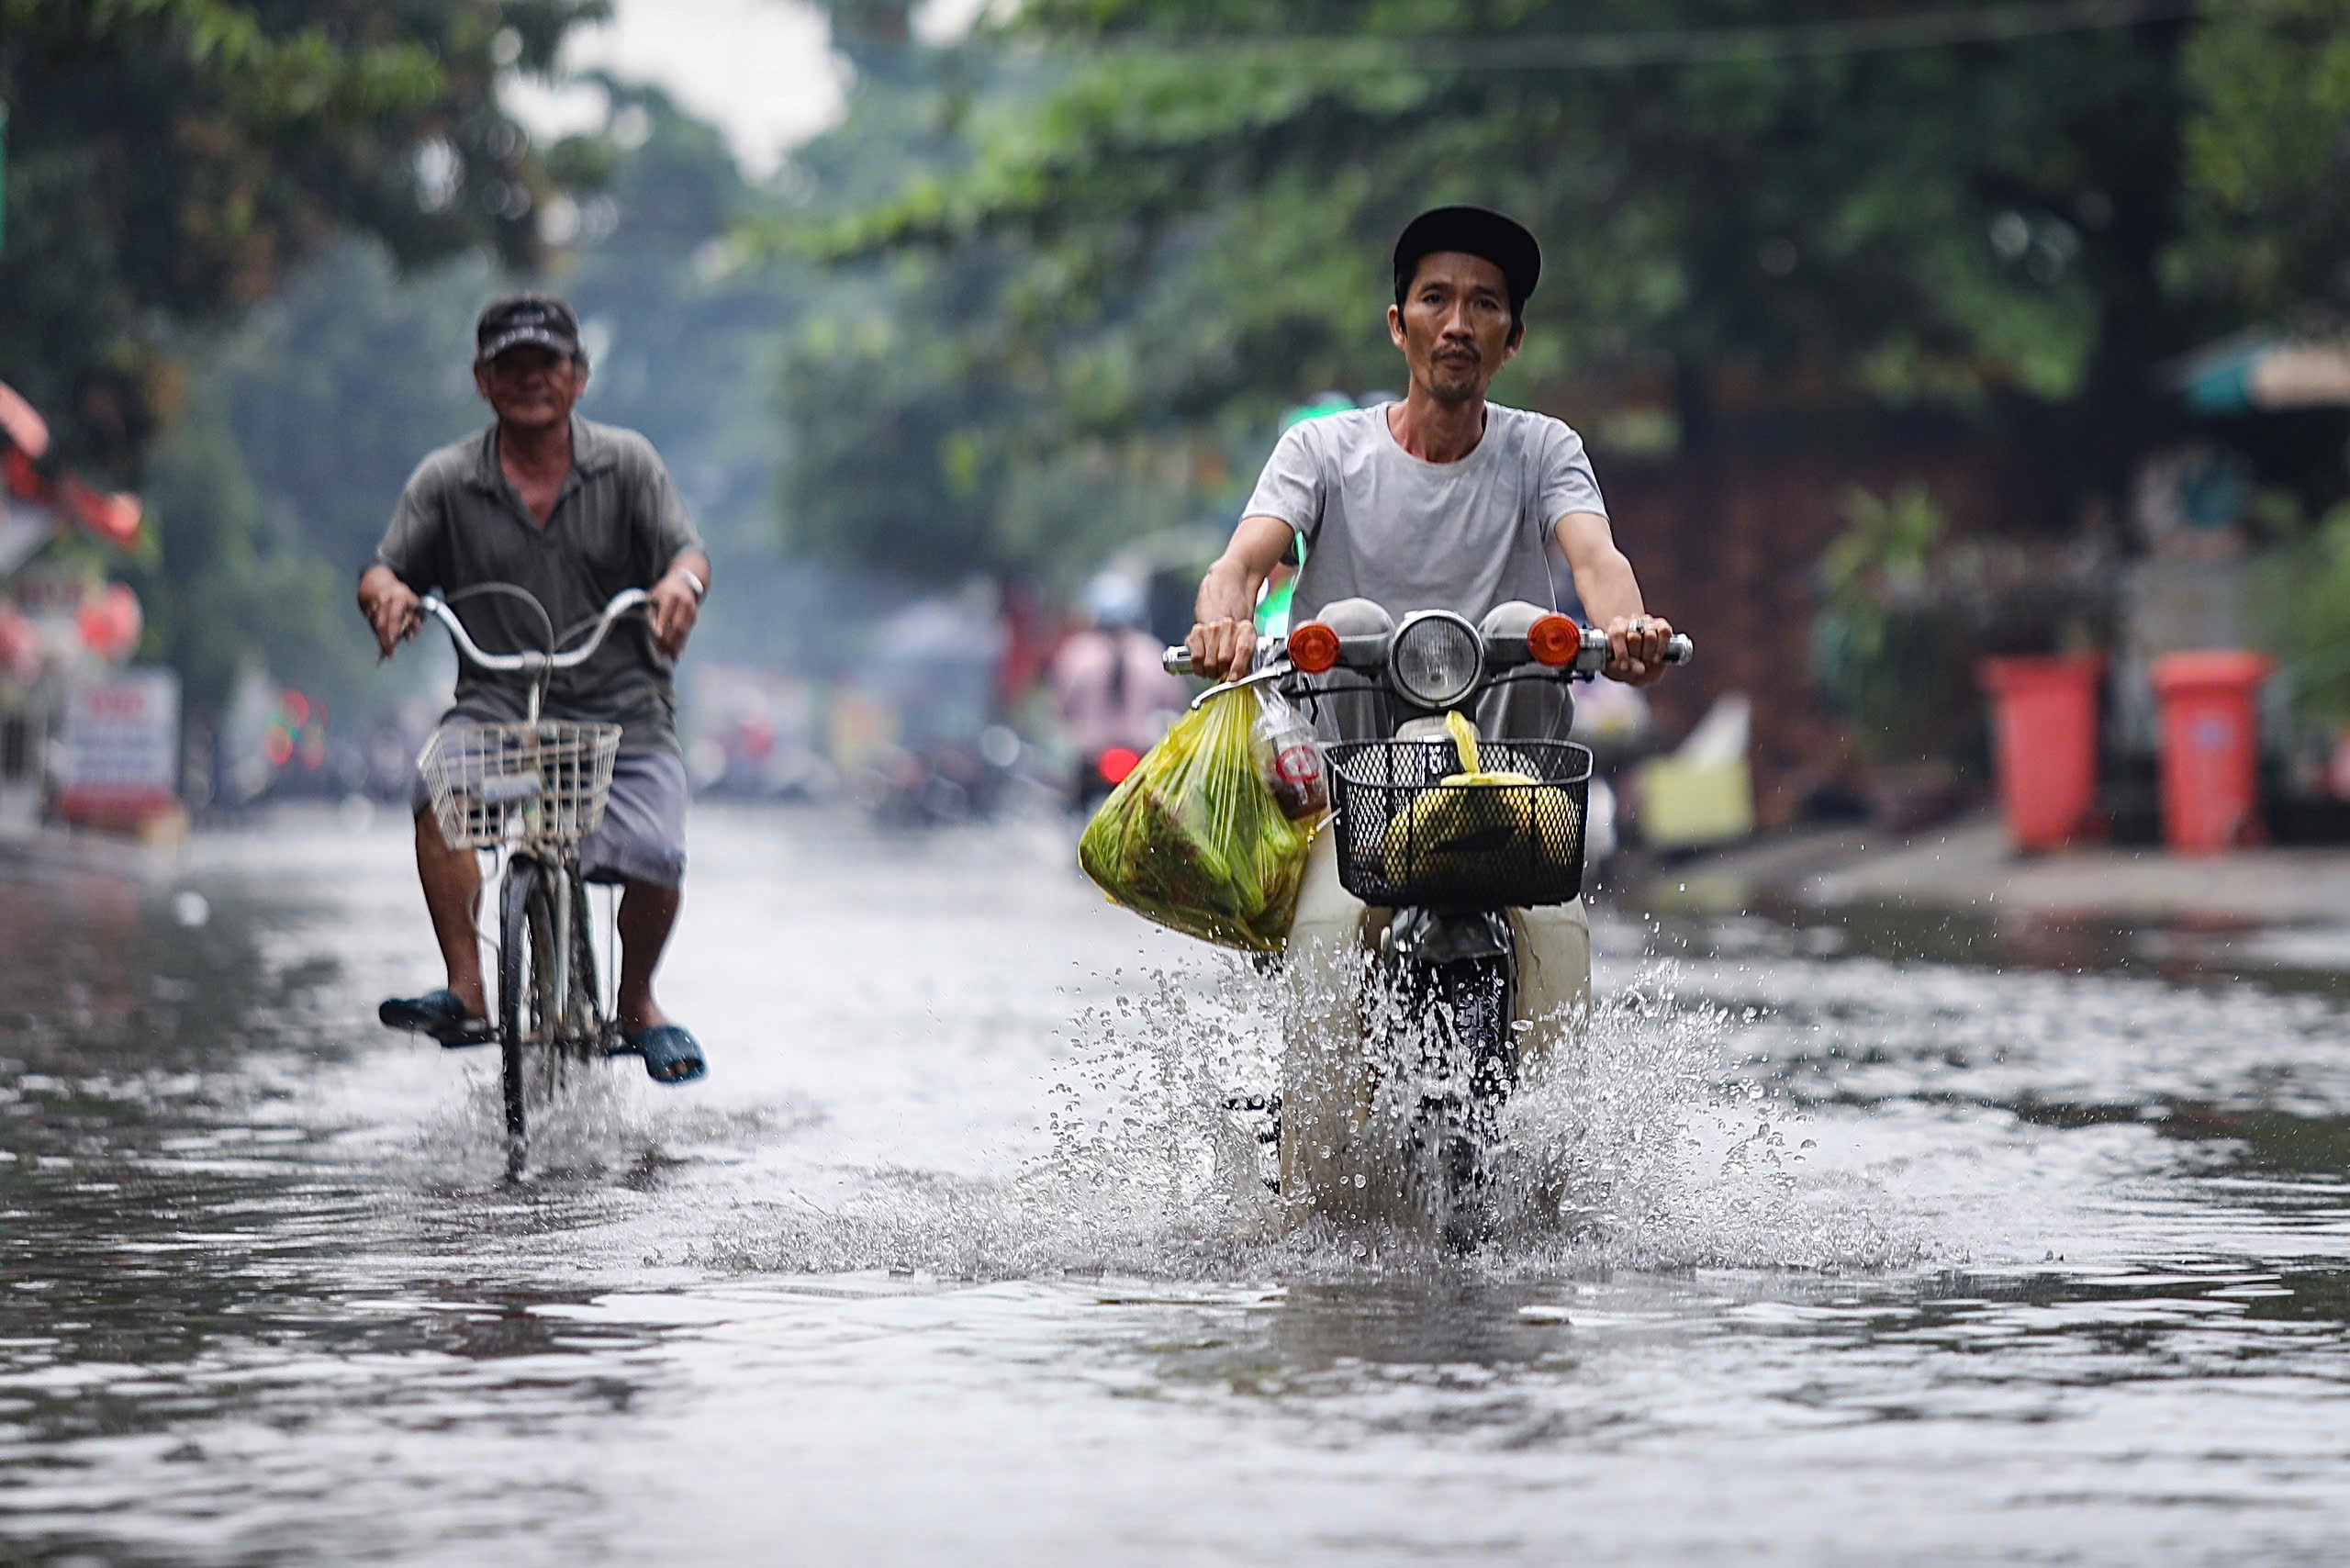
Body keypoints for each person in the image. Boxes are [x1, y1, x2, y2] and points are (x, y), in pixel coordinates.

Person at [1181, 206, 1676, 1203]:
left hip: (1504, 781)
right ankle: (1311, 1150)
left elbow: (1596, 559)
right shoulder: (1322, 453)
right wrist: (1222, 620)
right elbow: (1241, 560)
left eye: (1484, 304)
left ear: (1511, 338)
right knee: (1351, 616)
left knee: (1525, 639)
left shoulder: (1544, 450)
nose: (1459, 321)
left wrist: (1627, 628)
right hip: (1353, 776)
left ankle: (1548, 1169)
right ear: (1398, 324)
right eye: (1437, 299)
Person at [357, 294, 713, 1084]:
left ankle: (638, 1002)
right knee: (434, 792)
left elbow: (687, 551)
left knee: (658, 851)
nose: (530, 381)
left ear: (578, 377)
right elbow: (389, 566)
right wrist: (384, 592)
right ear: (482, 381)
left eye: (546, 365)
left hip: (623, 712)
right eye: (509, 367)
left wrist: (680, 584)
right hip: (498, 705)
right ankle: (467, 986)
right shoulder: (447, 481)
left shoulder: (628, 465)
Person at [1049, 572, 1190, 812]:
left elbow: (1063, 707)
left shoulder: (1077, 653)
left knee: (1071, 802)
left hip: (1092, 756)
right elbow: (1176, 703)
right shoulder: (1151, 652)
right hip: (1141, 754)